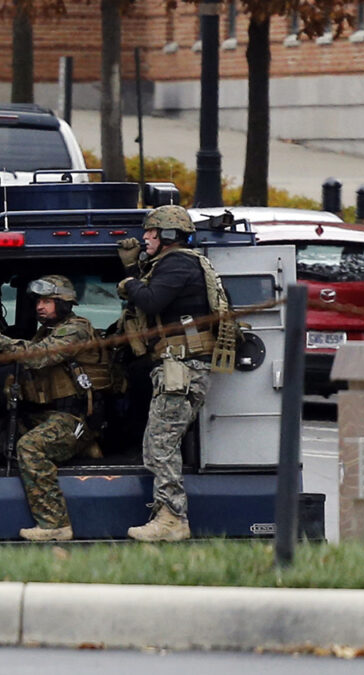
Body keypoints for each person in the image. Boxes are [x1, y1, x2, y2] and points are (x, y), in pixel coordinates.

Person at [116, 204, 233, 542]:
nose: (145, 238)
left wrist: (129, 281)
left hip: (181, 368)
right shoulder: (180, 264)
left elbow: (151, 300)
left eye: (151, 233)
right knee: (160, 442)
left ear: (169, 235)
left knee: (160, 444)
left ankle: (172, 518)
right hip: (179, 367)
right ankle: (167, 515)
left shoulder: (178, 263)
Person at [0, 274, 114, 542]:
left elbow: (37, 357)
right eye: (38, 301)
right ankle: (84, 449)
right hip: (51, 415)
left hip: (74, 418)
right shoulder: (46, 332)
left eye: (47, 301)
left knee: (30, 447)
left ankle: (54, 524)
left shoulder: (76, 329)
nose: (40, 307)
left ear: (64, 303)